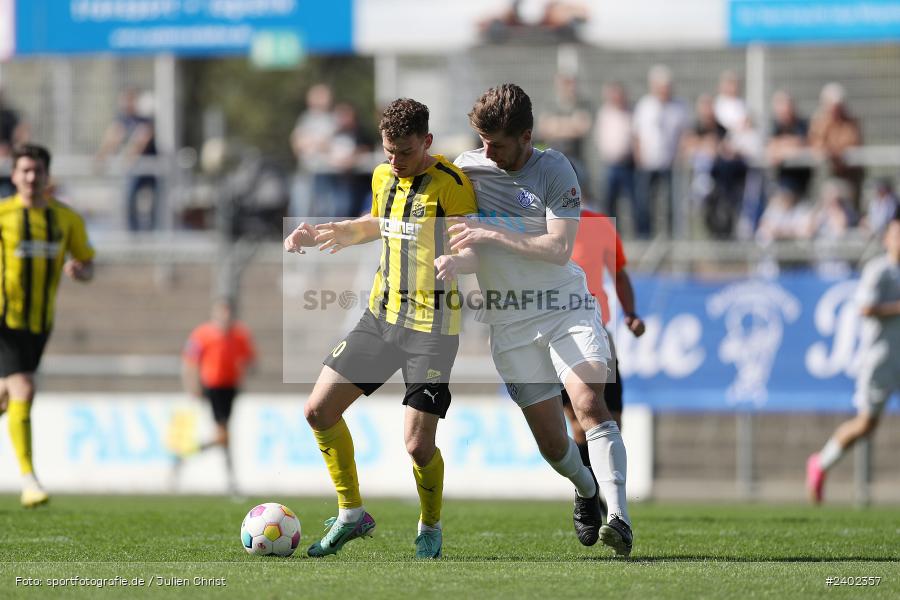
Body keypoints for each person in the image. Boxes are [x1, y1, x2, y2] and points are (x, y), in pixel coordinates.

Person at [439, 83, 634, 556]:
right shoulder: (466, 170)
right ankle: (586, 490)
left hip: (566, 306)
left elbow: (558, 248)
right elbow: (468, 251)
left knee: (590, 406)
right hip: (509, 323)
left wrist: (492, 231)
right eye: (482, 140)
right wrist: (456, 261)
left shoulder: (554, 169)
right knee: (553, 446)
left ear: (526, 136)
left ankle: (619, 516)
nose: (487, 151)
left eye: (498, 143)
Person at [283, 98, 477, 559]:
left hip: (432, 328)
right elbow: (382, 223)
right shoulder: (382, 175)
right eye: (388, 152)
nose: (395, 161)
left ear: (427, 142)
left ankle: (430, 525)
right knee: (317, 411)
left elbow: (474, 245)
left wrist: (459, 259)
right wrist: (331, 232)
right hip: (380, 317)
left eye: (405, 153)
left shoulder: (452, 185)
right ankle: (351, 514)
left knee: (416, 444)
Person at [0, 143, 94, 507]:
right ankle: (30, 481)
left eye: (37, 170)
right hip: (5, 319)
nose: (31, 177)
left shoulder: (65, 219)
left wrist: (81, 271)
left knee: (8, 396)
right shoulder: (4, 214)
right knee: (24, 388)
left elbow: (87, 264)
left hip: (39, 324)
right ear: (13, 175)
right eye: (24, 170)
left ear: (46, 175)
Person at [806, 209, 900, 504]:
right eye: (897, 234)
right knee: (865, 425)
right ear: (887, 239)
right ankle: (820, 463)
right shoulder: (879, 270)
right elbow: (865, 308)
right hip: (880, 358)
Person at [562, 210, 645, 468]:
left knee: (613, 421)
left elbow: (618, 273)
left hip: (598, 332)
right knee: (578, 423)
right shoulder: (535, 225)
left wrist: (630, 313)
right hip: (559, 336)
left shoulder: (597, 224)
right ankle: (590, 494)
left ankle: (601, 488)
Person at [176, 298, 257, 495]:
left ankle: (190, 452)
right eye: (222, 312)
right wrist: (192, 386)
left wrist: (243, 376)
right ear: (215, 313)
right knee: (224, 435)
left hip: (230, 388)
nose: (225, 317)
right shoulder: (203, 334)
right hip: (213, 387)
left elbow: (249, 359)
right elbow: (189, 362)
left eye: (228, 312)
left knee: (224, 436)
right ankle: (231, 481)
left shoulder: (240, 334)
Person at [632, 65, 689, 238]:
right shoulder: (645, 105)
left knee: (671, 205)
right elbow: (636, 134)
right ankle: (645, 238)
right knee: (644, 204)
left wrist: (680, 156)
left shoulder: (679, 106)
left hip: (670, 164)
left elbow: (684, 134)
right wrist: (639, 157)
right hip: (647, 163)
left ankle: (671, 240)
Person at [95, 89, 158, 232]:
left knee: (155, 204)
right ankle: (133, 232)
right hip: (134, 171)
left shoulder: (145, 120)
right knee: (129, 200)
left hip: (151, 170)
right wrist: (101, 157)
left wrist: (129, 157)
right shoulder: (122, 120)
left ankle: (153, 232)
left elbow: (141, 140)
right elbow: (113, 138)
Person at [594, 82, 634, 220]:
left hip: (628, 163)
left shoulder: (630, 113)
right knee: (609, 200)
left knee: (634, 201)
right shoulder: (604, 113)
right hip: (610, 163)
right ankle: (610, 233)